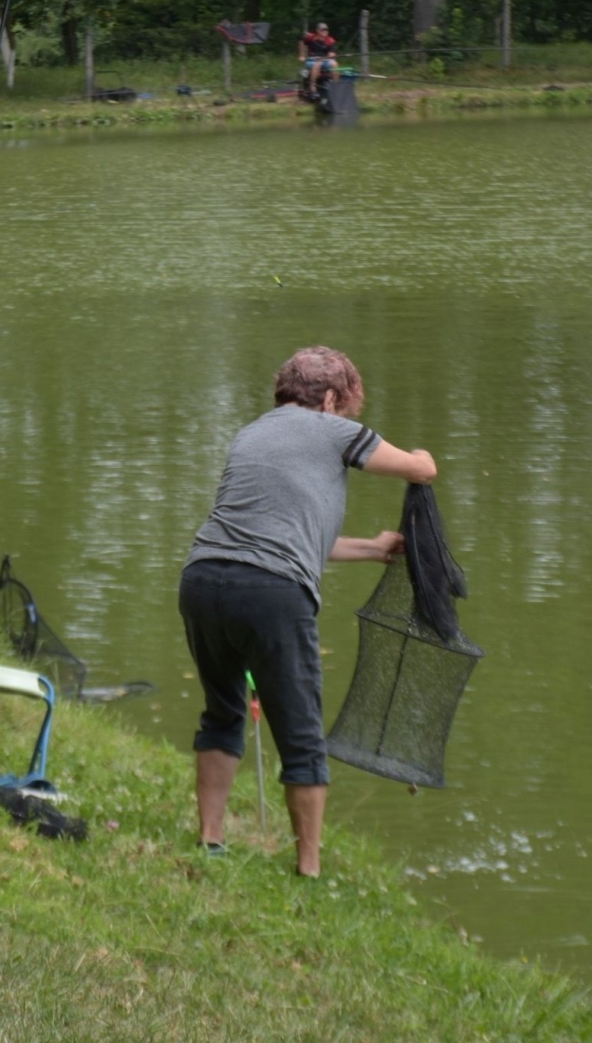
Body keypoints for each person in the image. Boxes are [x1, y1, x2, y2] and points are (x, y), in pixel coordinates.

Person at [178, 346, 436, 877]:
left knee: (223, 712)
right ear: (331, 399)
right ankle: (309, 869)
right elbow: (420, 470)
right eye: (346, 407)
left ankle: (210, 839)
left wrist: (372, 548)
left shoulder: (252, 433)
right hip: (271, 593)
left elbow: (287, 536)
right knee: (301, 734)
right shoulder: (333, 430)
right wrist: (422, 454)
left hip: (202, 580)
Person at [297, 23, 338, 100]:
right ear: (317, 31)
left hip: (325, 60)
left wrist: (328, 58)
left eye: (326, 30)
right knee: (317, 63)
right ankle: (312, 88)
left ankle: (336, 86)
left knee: (334, 63)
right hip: (312, 60)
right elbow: (301, 41)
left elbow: (332, 55)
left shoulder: (330, 40)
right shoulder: (311, 37)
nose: (325, 31)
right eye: (322, 30)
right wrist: (302, 55)